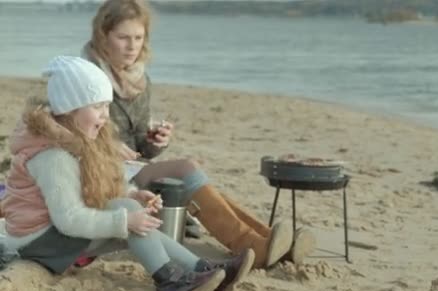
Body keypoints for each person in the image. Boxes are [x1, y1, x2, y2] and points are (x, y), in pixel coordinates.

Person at [81, 0, 316, 269]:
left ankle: (267, 239)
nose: (132, 45)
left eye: (138, 37)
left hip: (133, 167)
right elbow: (66, 134)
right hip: (100, 172)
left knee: (189, 173)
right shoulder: (86, 77)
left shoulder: (139, 80)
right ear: (103, 36)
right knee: (186, 167)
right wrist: (105, 145)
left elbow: (139, 148)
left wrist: (155, 141)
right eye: (123, 37)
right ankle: (255, 244)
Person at [0, 56, 255, 291]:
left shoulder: (74, 140)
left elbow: (90, 188)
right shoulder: (53, 157)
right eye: (97, 106)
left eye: (106, 106)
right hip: (36, 241)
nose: (105, 115)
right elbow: (69, 219)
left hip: (53, 233)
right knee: (131, 219)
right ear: (70, 108)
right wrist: (125, 218)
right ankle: (170, 281)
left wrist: (131, 195)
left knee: (138, 222)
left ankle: (201, 268)